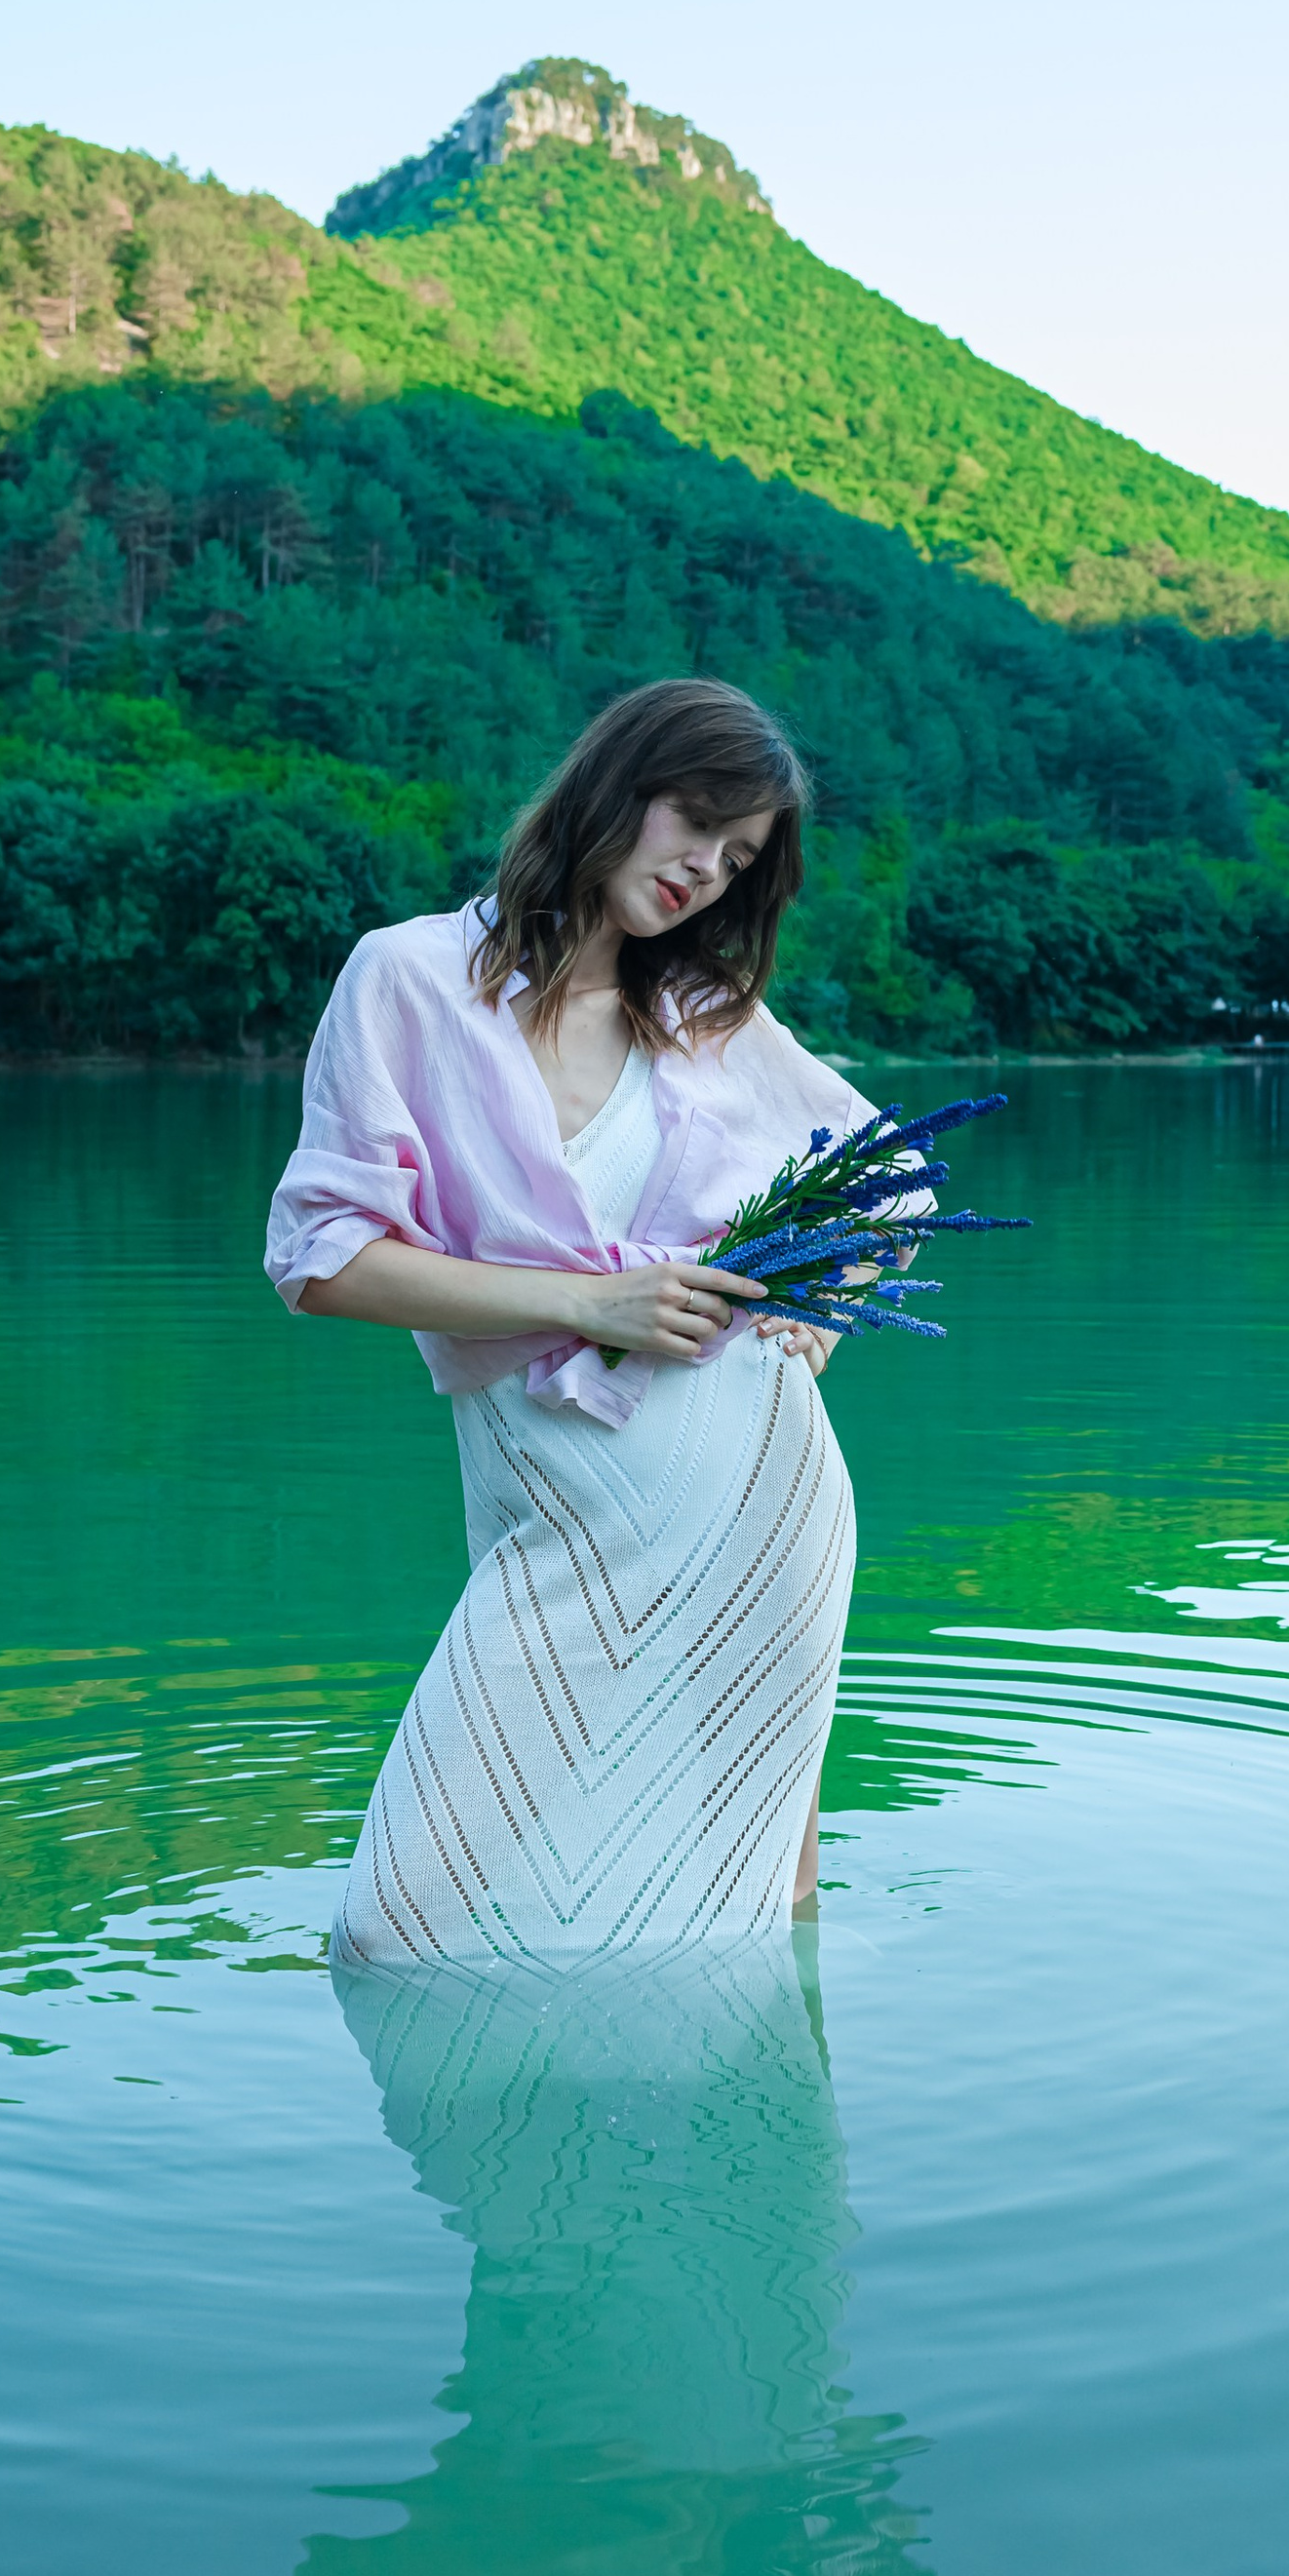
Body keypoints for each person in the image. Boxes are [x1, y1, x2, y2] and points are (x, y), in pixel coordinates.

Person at [264, 679, 879, 1966]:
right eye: (698, 822)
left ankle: (751, 2147)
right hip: (559, 1518)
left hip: (760, 1498)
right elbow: (321, 1258)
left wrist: (825, 1307)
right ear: (618, 783)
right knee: (394, 1932)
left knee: (770, 1905)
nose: (708, 870)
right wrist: (588, 1301)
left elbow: (885, 1179)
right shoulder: (411, 980)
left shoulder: (703, 1017)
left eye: (742, 858)